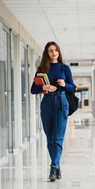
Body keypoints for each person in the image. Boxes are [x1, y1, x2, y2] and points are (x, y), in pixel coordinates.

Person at [30, 41, 76, 181]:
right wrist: (45, 88)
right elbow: (33, 90)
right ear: (47, 53)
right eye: (51, 50)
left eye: (56, 50)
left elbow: (73, 88)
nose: (54, 52)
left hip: (61, 102)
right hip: (47, 103)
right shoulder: (42, 69)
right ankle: (57, 166)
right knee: (50, 137)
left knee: (58, 136)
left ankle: (53, 167)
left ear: (59, 52)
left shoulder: (64, 68)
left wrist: (65, 84)